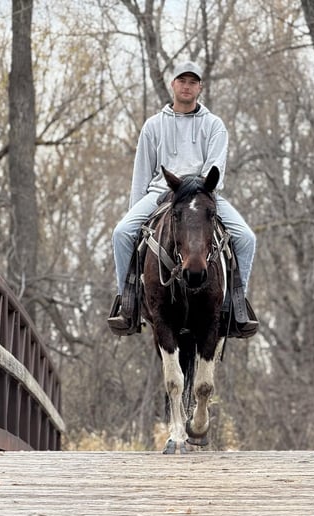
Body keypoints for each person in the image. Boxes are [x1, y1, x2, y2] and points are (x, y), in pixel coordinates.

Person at [108, 61, 258, 337]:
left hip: (203, 194)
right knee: (121, 233)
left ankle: (234, 308)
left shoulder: (214, 125)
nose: (187, 86)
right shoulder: (153, 126)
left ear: (200, 87)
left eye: (193, 82)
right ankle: (127, 303)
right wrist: (135, 213)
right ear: (172, 84)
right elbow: (141, 174)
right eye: (182, 80)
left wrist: (197, 190)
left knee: (247, 238)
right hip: (160, 192)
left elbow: (215, 169)